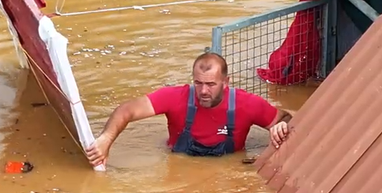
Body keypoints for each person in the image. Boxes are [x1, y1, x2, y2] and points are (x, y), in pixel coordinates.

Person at [85, 52, 293, 166]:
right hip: (177, 163)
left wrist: (280, 126)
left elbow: (286, 118)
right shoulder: (175, 97)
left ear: (226, 82)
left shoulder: (247, 104)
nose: (203, 91)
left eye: (211, 85)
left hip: (225, 172)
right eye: (198, 83)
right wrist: (105, 140)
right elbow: (127, 110)